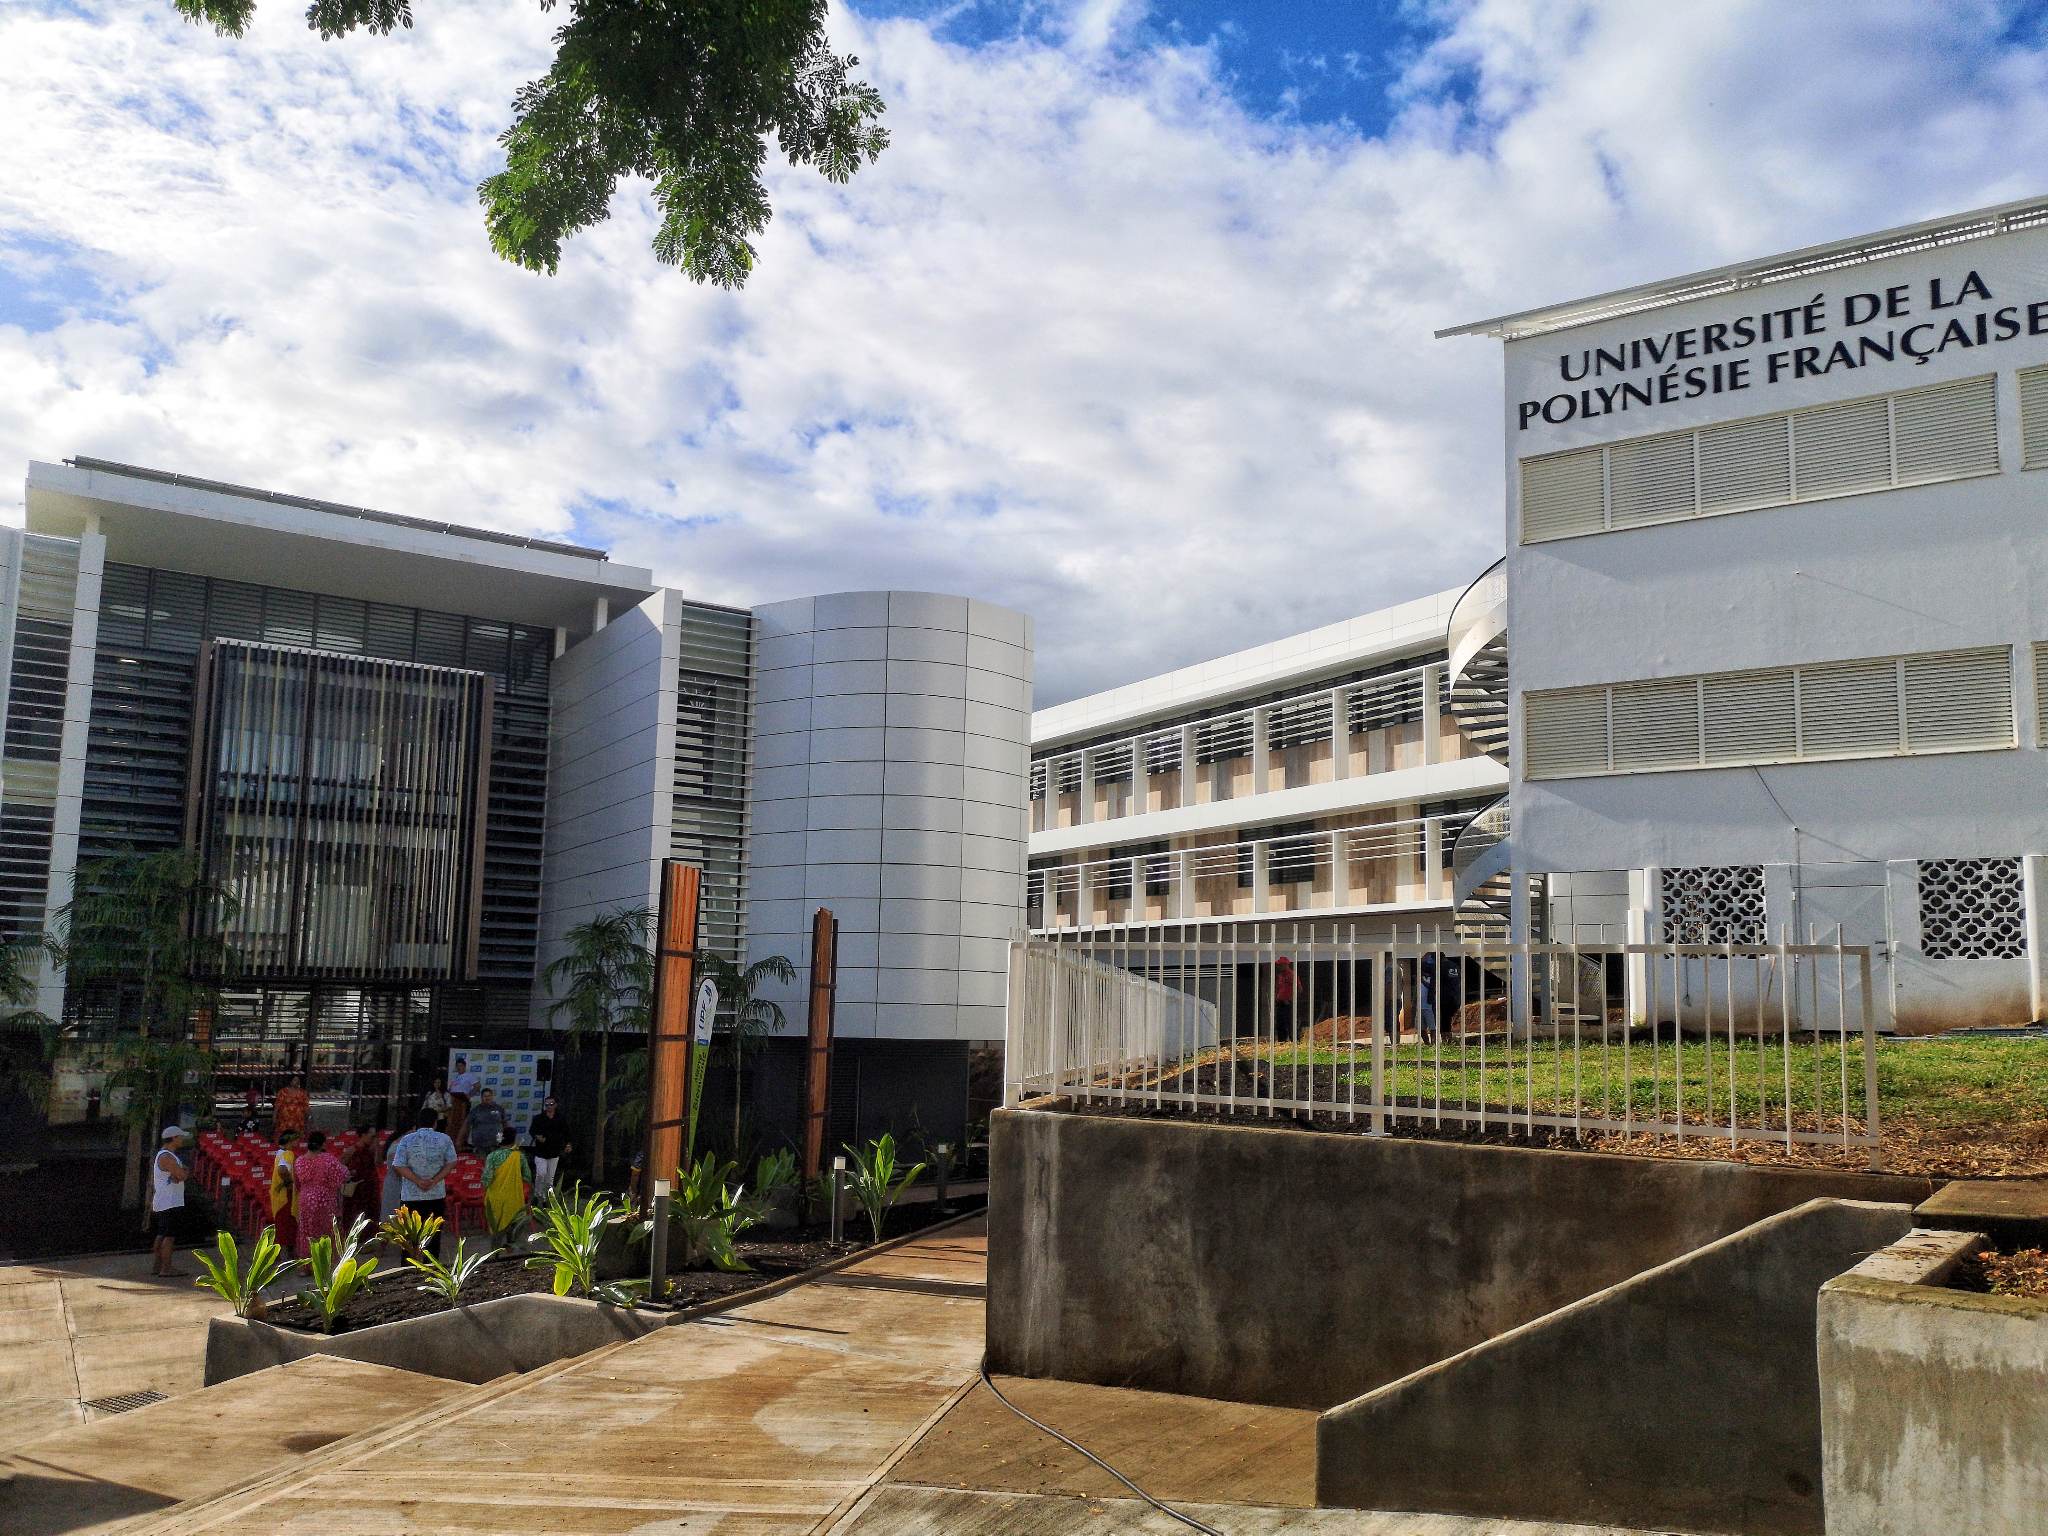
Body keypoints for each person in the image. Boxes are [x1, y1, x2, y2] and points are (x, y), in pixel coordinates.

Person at [387, 1106, 458, 1239]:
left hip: (411, 1196)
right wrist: (435, 1180)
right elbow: (452, 1162)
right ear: (435, 1122)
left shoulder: (406, 1140)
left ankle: (410, 1260)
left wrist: (418, 1181)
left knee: (410, 1239)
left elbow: (398, 1164)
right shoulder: (444, 1139)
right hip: (436, 1194)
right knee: (433, 1237)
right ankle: (431, 1260)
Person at [292, 1130, 348, 1257]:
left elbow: (297, 1182)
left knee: (306, 1231)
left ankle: (306, 1265)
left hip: (305, 1199)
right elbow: (342, 1176)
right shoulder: (328, 1159)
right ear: (323, 1144)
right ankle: (324, 1263)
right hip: (325, 1200)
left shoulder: (299, 1161)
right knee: (325, 1231)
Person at [150, 1125, 190, 1278]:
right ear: (174, 1138)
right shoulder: (167, 1157)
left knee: (162, 1233)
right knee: (169, 1236)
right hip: (169, 1202)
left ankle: (158, 1265)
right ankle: (166, 1268)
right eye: (180, 1137)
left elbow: (181, 1172)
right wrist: (182, 1173)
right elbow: (182, 1174)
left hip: (166, 1201)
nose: (182, 1140)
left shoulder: (169, 1156)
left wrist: (181, 1173)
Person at [482, 1126, 530, 1248]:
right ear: (514, 1140)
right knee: (513, 1229)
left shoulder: (492, 1156)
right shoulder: (520, 1156)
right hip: (514, 1198)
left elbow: (486, 1179)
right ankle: (510, 1251)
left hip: (495, 1199)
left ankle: (495, 1253)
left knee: (497, 1229)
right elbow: (527, 1177)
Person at [526, 1095, 570, 1199]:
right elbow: (532, 1131)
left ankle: (547, 1198)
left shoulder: (561, 1119)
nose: (549, 1106)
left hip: (554, 1151)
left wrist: (568, 1144)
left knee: (550, 1177)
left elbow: (567, 1133)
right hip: (541, 1151)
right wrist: (537, 1137)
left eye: (551, 1104)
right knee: (541, 1174)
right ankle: (538, 1195)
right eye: (547, 1104)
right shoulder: (538, 1118)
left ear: (556, 1105)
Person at [342, 1125, 380, 1233]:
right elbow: (340, 1165)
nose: (373, 1139)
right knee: (355, 1215)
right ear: (363, 1135)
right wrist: (350, 1172)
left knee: (370, 1215)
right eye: (371, 1136)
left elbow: (378, 1162)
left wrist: (377, 1146)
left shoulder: (372, 1150)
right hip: (356, 1189)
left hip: (370, 1188)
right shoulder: (352, 1150)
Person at [268, 1130, 300, 1255]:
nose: (298, 1143)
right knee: (287, 1222)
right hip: (285, 1195)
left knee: (282, 1223)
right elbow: (282, 1170)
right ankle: (288, 1252)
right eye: (296, 1140)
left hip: (279, 1194)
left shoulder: (280, 1153)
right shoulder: (287, 1154)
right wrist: (290, 1184)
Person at [447, 1058, 478, 1148]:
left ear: (464, 1066)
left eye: (461, 1066)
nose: (459, 1068)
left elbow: (477, 1086)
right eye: (457, 1066)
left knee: (463, 1122)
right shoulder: (455, 1077)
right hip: (454, 1103)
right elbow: (450, 1089)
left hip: (463, 1103)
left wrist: (469, 1095)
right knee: (453, 1123)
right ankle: (453, 1141)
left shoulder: (469, 1076)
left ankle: (462, 1143)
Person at [465, 1087, 506, 1155]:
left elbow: (504, 1124)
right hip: (480, 1144)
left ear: (492, 1096)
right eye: (485, 1096)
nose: (487, 1098)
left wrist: (505, 1140)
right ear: (481, 1098)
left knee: (496, 1164)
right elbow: (467, 1125)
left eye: (489, 1096)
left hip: (496, 1143)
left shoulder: (499, 1108)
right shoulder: (475, 1110)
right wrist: (461, 1140)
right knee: (481, 1164)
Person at [272, 1074, 309, 1140]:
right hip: (284, 1121)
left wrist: (308, 1118)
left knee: (296, 1138)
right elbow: (277, 1105)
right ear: (290, 1081)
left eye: (298, 1080)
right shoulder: (283, 1092)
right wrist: (274, 1117)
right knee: (283, 1138)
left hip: (298, 1121)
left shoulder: (303, 1093)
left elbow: (306, 1106)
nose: (297, 1082)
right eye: (295, 1080)